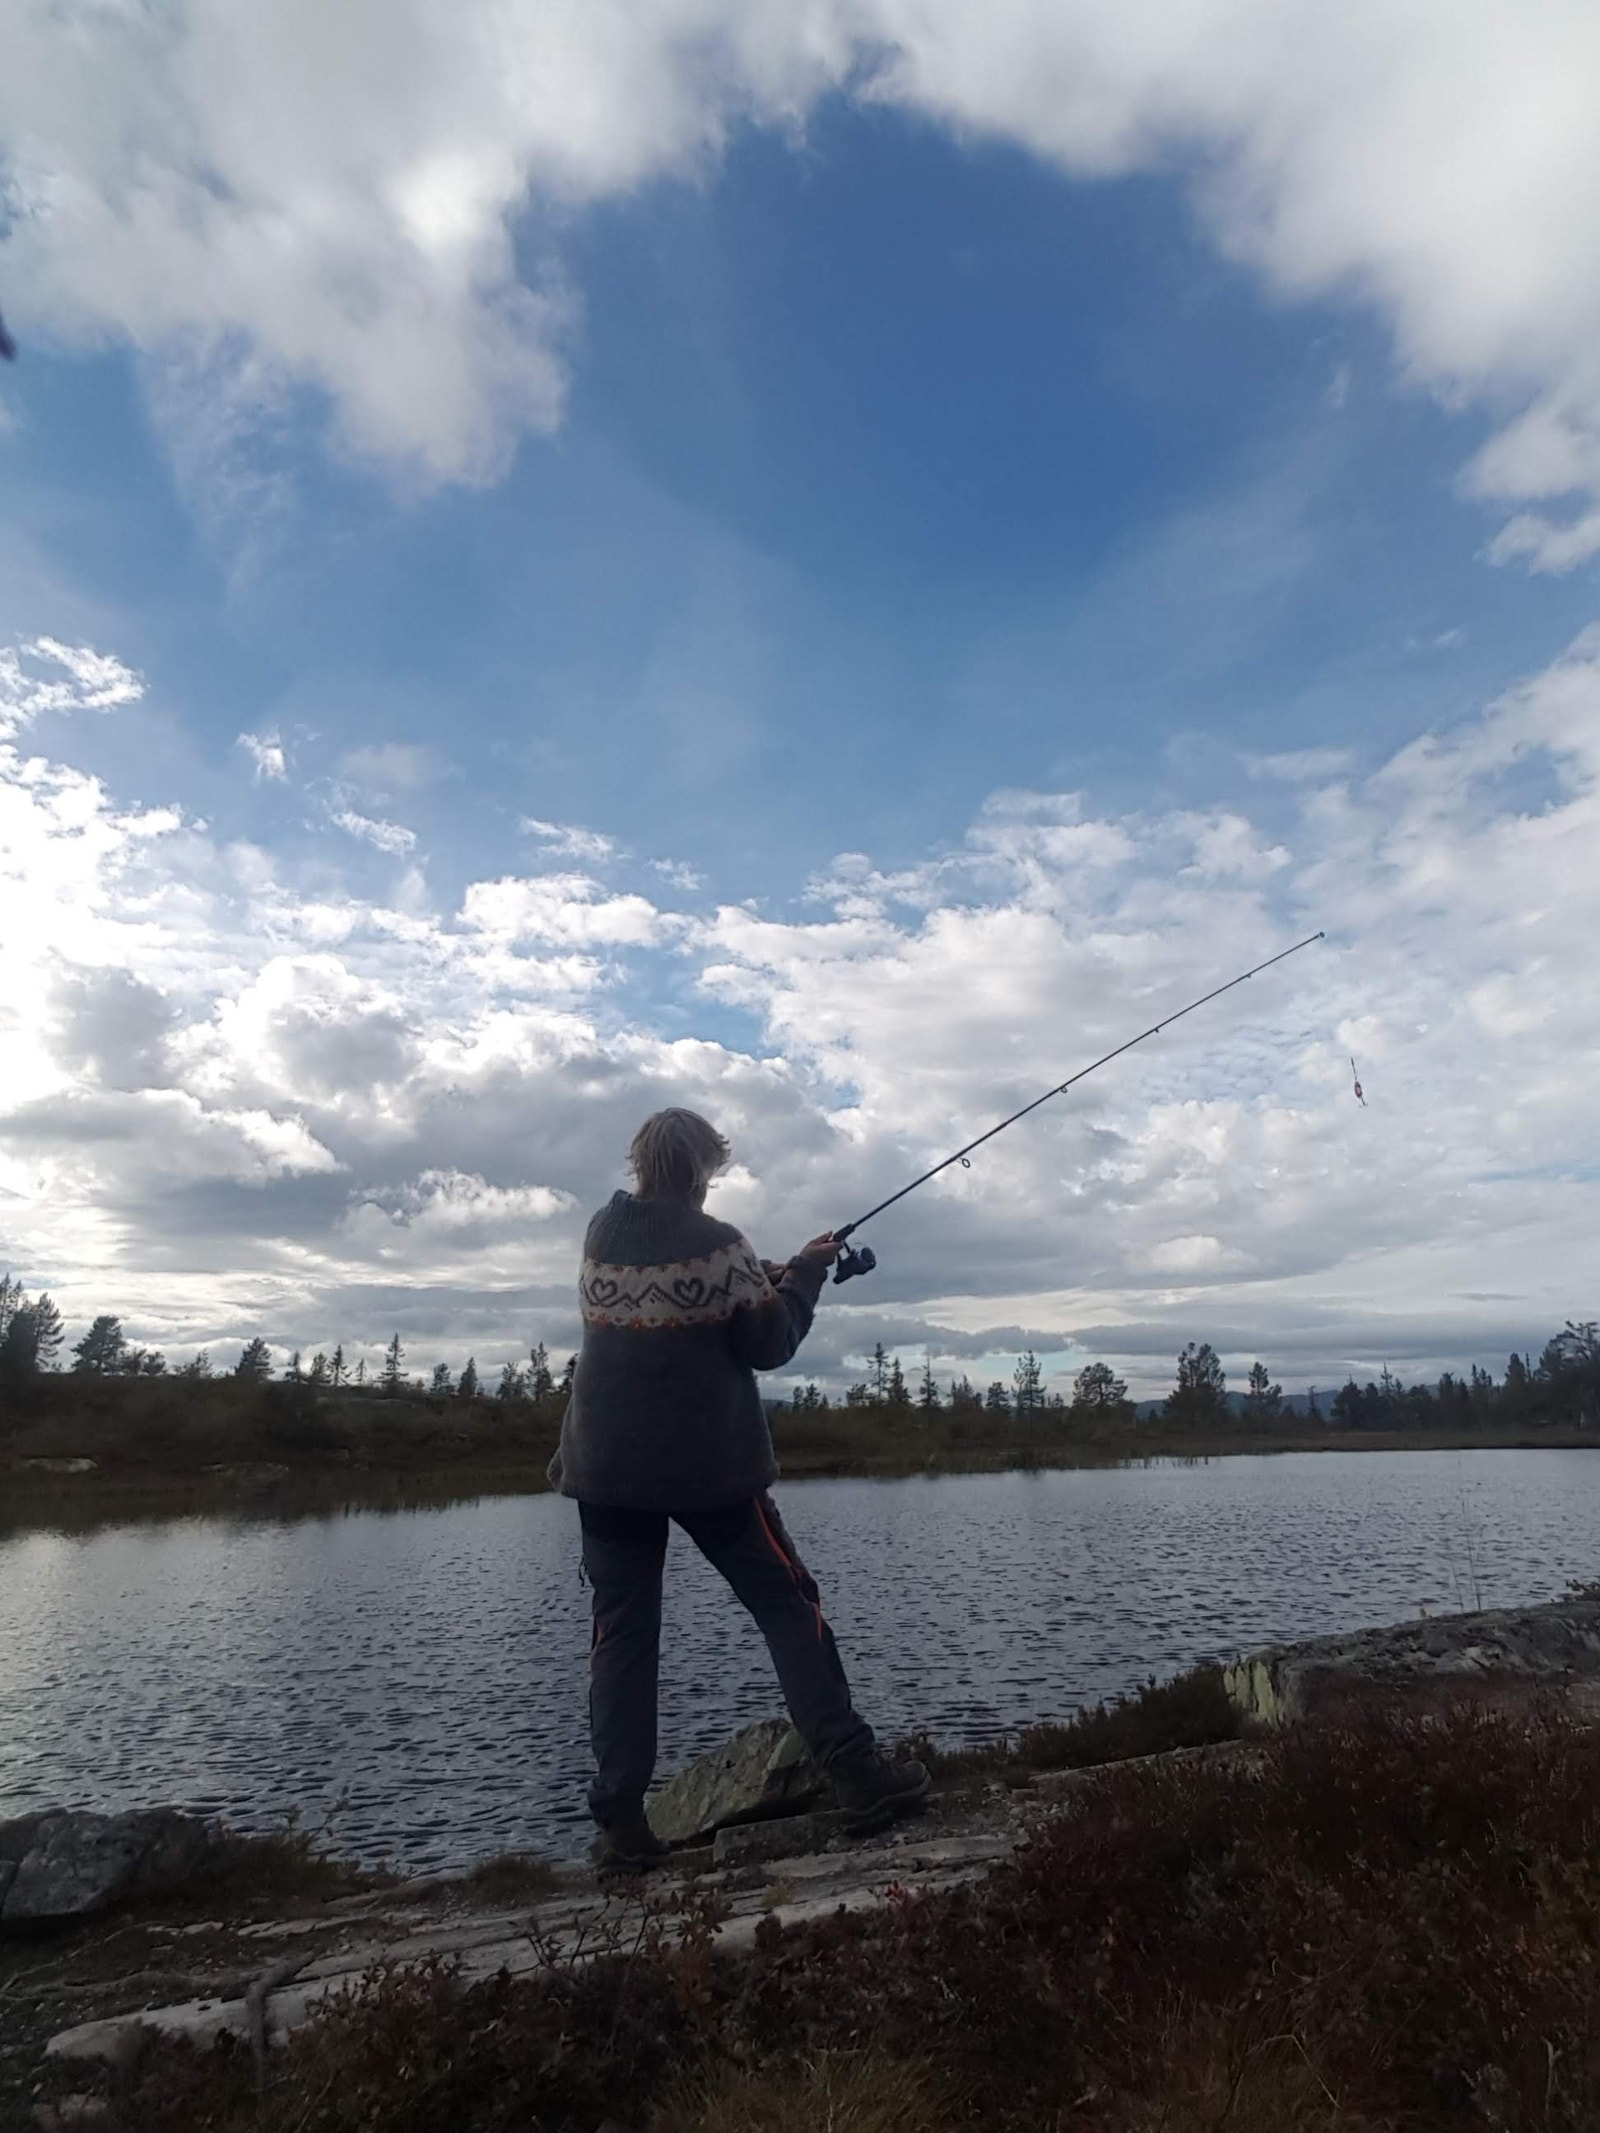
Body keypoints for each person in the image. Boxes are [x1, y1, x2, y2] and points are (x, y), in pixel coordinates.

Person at [549, 1106, 930, 1874]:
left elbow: (686, 1309)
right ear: (701, 1169)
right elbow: (768, 1341)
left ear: (641, 1162)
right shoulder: (716, 1244)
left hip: (603, 1470)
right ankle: (857, 1775)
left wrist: (774, 1274)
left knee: (622, 1636)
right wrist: (808, 1276)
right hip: (707, 1472)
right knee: (788, 1604)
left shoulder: (601, 1233)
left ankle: (621, 1822)